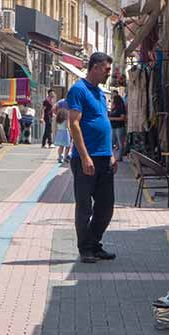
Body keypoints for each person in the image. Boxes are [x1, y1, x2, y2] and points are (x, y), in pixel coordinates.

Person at [66, 52, 116, 264]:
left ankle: (94, 243)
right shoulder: (78, 90)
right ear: (95, 67)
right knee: (84, 206)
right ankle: (85, 248)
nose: (108, 73)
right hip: (85, 158)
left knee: (106, 206)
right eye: (106, 69)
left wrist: (111, 154)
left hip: (104, 158)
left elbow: (104, 122)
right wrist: (85, 157)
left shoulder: (100, 93)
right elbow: (74, 124)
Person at [53, 93, 71, 164]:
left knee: (61, 146)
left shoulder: (58, 119)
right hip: (65, 133)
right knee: (68, 145)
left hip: (59, 132)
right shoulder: (67, 118)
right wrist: (70, 132)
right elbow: (67, 126)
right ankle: (65, 157)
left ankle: (60, 156)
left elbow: (54, 108)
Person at [109, 90, 126, 158]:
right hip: (113, 127)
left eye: (113, 100)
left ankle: (119, 157)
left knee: (120, 143)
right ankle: (110, 156)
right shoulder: (114, 108)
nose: (112, 100)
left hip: (119, 127)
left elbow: (122, 118)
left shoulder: (121, 107)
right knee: (111, 142)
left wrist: (112, 119)